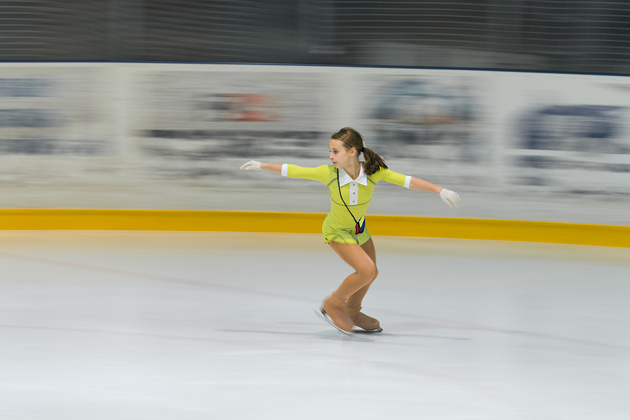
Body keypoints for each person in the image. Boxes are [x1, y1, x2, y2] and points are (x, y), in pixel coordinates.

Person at [240, 127, 460, 334]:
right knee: (365, 270)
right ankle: (333, 304)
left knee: (372, 272)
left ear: (352, 151)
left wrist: (439, 190)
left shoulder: (374, 172)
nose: (330, 156)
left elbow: (407, 181)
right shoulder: (328, 173)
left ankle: (353, 312)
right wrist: (262, 165)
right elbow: (297, 171)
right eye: (330, 151)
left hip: (359, 230)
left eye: (335, 151)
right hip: (336, 231)